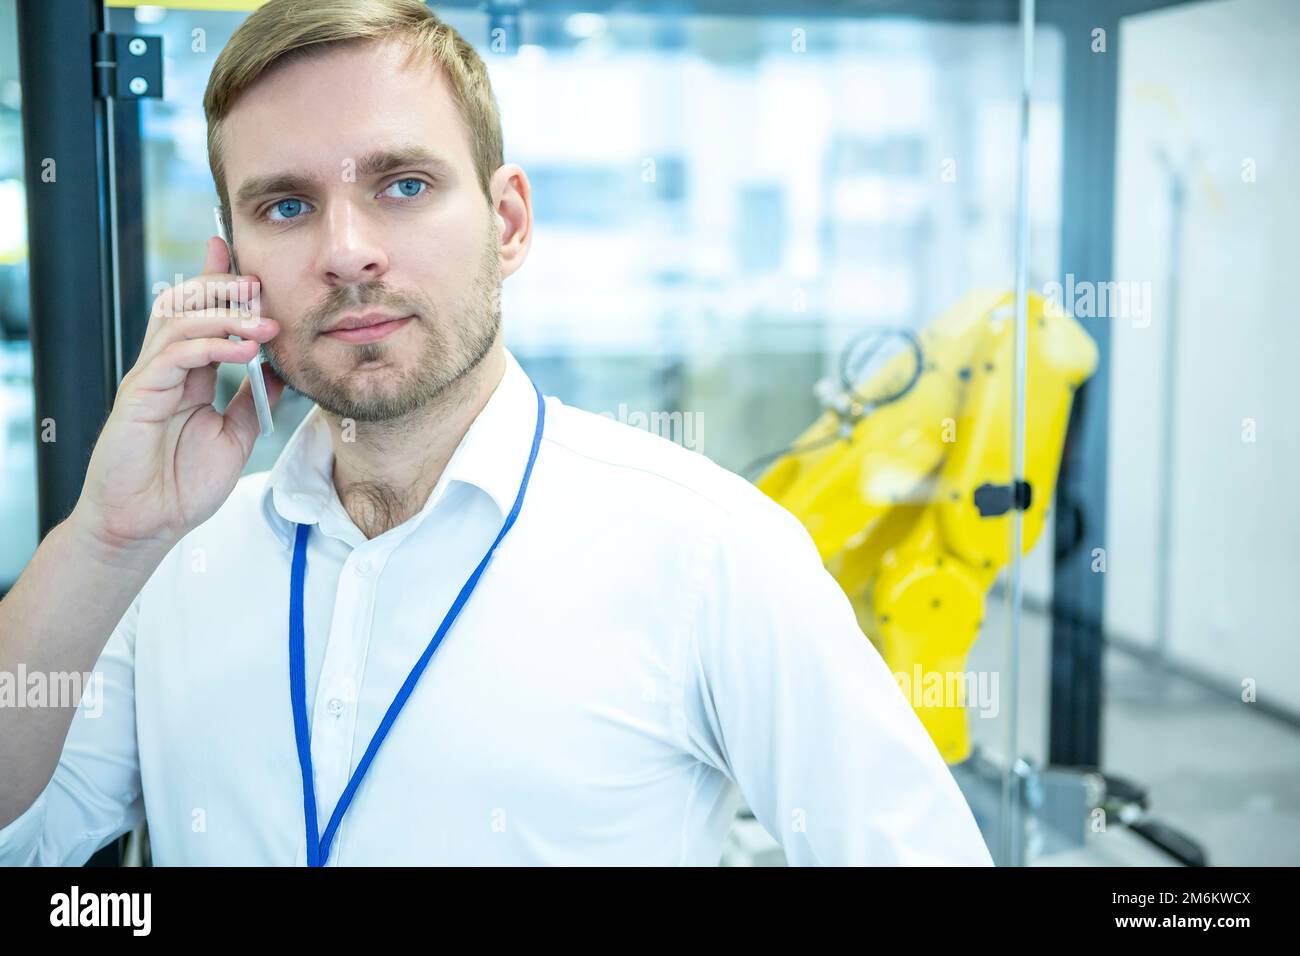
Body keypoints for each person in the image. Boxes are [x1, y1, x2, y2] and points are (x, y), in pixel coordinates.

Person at [0, 0, 992, 866]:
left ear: (508, 221)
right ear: (233, 259)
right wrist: (106, 537)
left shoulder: (708, 550)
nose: (347, 253)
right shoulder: (173, 563)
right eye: (288, 204)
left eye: (403, 185)